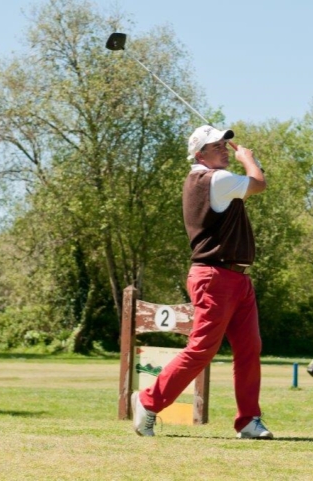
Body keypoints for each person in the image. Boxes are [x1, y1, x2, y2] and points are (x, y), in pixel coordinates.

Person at [132, 125, 272, 439]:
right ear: (199, 155)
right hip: (215, 276)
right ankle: (147, 401)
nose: (223, 148)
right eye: (215, 146)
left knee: (250, 349)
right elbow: (259, 184)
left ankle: (249, 420)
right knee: (201, 350)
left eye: (225, 143)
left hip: (236, 277)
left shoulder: (213, 178)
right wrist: (249, 159)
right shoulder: (215, 179)